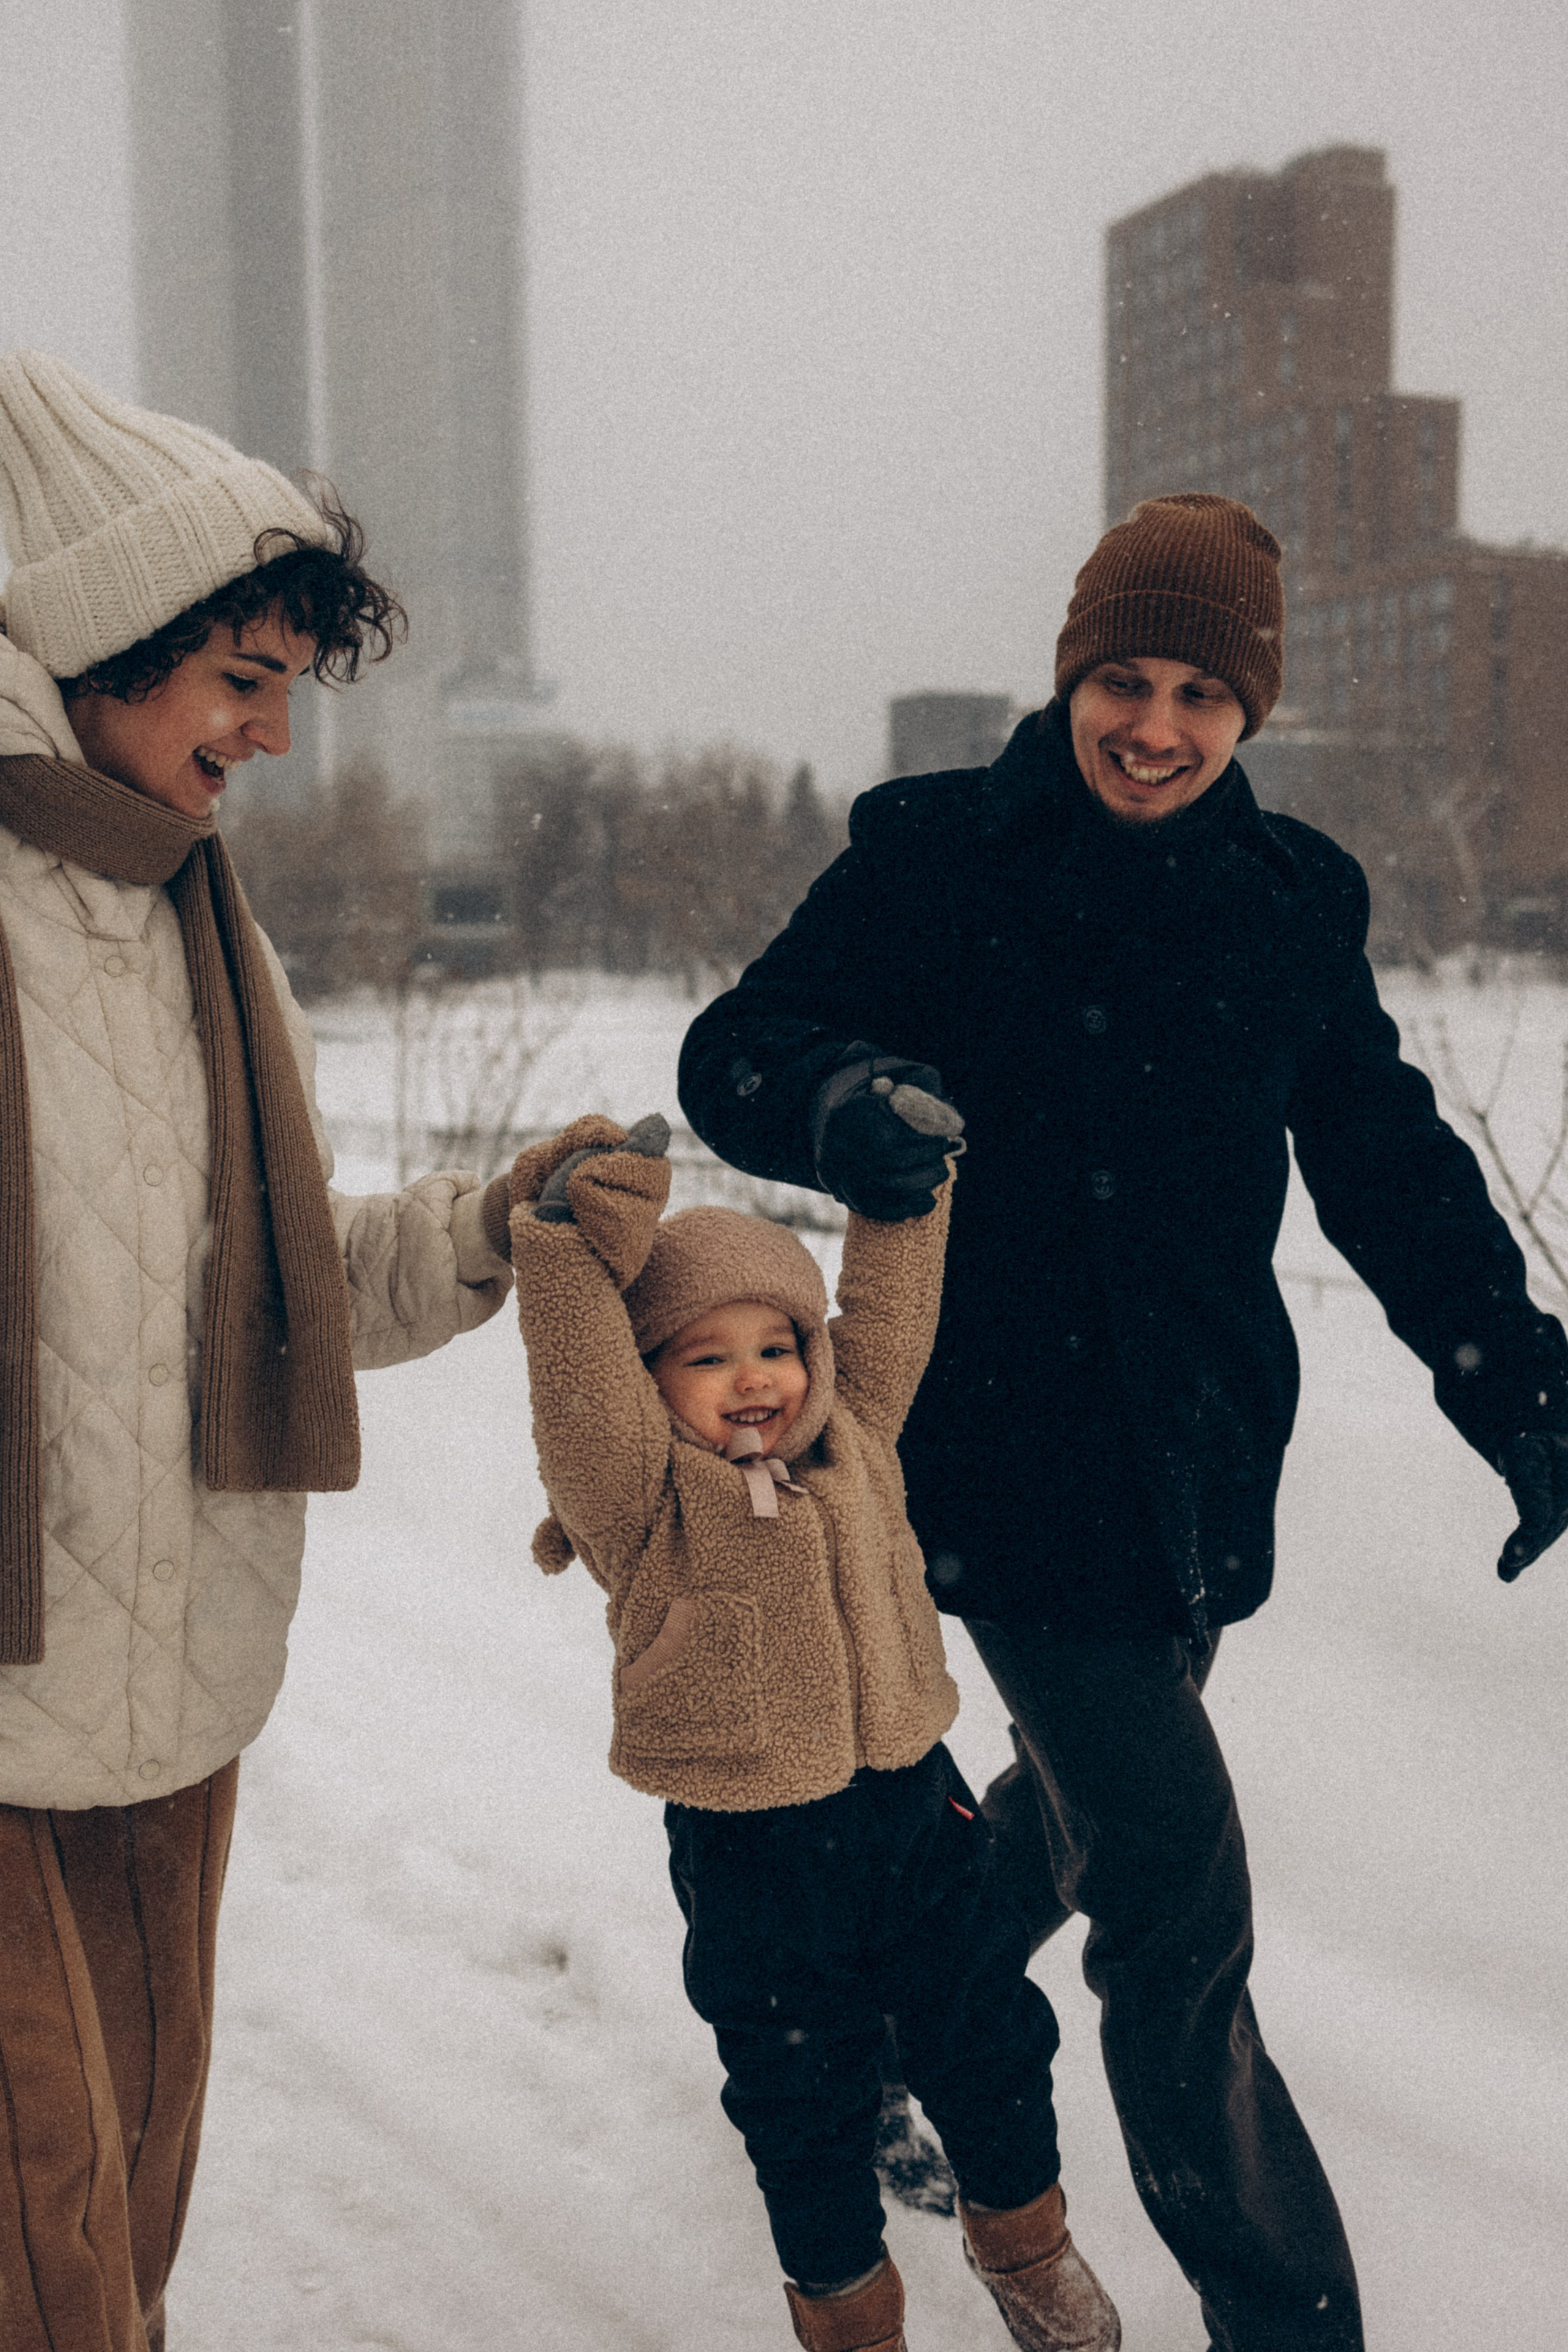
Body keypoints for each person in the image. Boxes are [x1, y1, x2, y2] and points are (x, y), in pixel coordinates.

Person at [676, 492, 1568, 2352]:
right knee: (1175, 1895)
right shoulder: (937, 860)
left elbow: (1390, 1165)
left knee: (1077, 1827)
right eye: (1123, 679)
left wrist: (1519, 1379)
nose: (1154, 726)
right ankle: (1285, 2318)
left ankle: (902, 2028)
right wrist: (838, 1095)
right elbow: (737, 1048)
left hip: (1199, 1471)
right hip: (987, 1458)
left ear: (1252, 715)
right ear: (1072, 672)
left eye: (1199, 695)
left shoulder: (1293, 903)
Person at [0, 350, 519, 2352]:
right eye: (244, 679)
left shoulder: (203, 922)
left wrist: (495, 1229)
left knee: (128, 2196)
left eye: (292, 685)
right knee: (40, 2215)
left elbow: (284, 1272)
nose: (277, 736)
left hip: (178, 1674)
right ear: (105, 641)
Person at [505, 1110, 1120, 2352]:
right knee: (798, 2100)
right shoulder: (637, 1496)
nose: (754, 1380)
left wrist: (903, 1189)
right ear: (648, 1381)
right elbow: (574, 1394)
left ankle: (1025, 2239)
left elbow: (885, 1316)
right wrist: (567, 1246)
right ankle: (850, 2319)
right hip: (751, 1852)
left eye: (777, 1345)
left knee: (989, 2034)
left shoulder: (854, 1435)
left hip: (912, 1806)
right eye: (703, 1356)